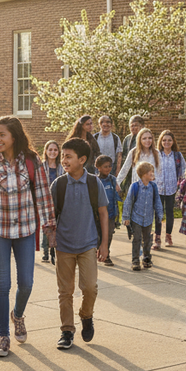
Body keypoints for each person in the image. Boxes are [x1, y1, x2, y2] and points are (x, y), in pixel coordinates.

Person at [0, 115, 55, 358]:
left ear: (14, 136)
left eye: (2, 135)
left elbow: (42, 194)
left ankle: (17, 315)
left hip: (26, 230)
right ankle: (3, 336)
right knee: (3, 285)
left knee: (26, 283)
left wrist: (50, 228)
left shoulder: (32, 161)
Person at [48, 138, 109, 350]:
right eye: (63, 156)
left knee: (90, 287)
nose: (63, 160)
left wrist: (104, 245)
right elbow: (50, 215)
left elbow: (103, 213)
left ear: (82, 160)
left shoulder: (94, 183)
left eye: (68, 156)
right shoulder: (59, 185)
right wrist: (50, 237)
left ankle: (86, 315)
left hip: (88, 244)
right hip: (64, 246)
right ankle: (66, 330)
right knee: (65, 291)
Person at [122, 161, 161, 271]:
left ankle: (147, 258)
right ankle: (135, 260)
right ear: (144, 174)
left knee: (147, 239)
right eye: (151, 173)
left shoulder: (153, 187)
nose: (153, 175)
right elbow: (128, 202)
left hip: (148, 218)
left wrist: (159, 213)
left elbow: (157, 201)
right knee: (137, 239)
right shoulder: (134, 186)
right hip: (136, 218)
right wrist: (126, 217)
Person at [154, 129, 186, 250]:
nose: (166, 142)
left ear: (173, 142)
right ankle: (157, 237)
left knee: (169, 212)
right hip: (158, 188)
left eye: (169, 140)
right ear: (160, 141)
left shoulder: (177, 155)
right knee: (158, 213)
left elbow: (184, 170)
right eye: (164, 140)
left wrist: (182, 185)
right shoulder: (156, 154)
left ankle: (168, 235)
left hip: (171, 188)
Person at [40, 140, 64, 265]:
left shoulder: (62, 167)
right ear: (46, 151)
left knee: (57, 226)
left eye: (55, 150)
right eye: (50, 150)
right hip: (45, 200)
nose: (52, 152)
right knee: (46, 226)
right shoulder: (41, 166)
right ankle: (45, 251)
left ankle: (54, 251)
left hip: (58, 200)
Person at [95, 154, 121, 267]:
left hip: (110, 213)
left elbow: (117, 196)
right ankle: (97, 251)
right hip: (97, 214)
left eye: (110, 166)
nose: (108, 169)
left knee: (109, 234)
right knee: (97, 235)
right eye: (105, 166)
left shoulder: (112, 180)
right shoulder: (95, 181)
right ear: (98, 167)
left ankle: (107, 255)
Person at [120, 115, 144, 195]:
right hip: (128, 170)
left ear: (141, 126)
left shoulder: (144, 138)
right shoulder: (127, 138)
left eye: (135, 125)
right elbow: (124, 154)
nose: (133, 128)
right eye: (131, 126)